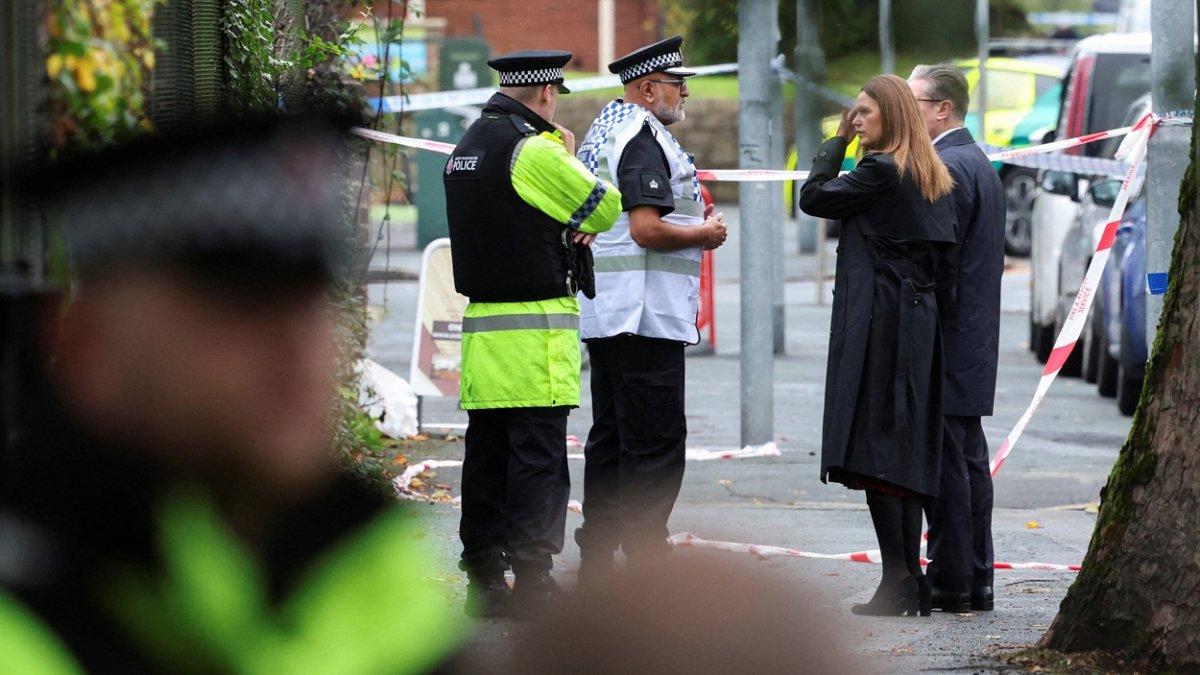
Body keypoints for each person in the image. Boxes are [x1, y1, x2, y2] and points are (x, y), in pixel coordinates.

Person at [1, 117, 464, 673]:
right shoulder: (26, 622)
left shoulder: (368, 568)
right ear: (83, 343)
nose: (294, 348)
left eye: (308, 303)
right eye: (242, 308)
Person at [442, 50, 622, 617]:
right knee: (538, 463)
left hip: (483, 333)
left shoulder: (468, 145)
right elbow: (604, 208)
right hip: (537, 334)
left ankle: (485, 581)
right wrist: (568, 155)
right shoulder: (535, 150)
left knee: (487, 458)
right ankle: (535, 583)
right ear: (546, 94)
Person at [799, 74, 957, 617]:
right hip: (916, 321)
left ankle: (897, 582)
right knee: (902, 450)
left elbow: (814, 198)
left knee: (878, 449)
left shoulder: (880, 170)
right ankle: (909, 578)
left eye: (864, 112)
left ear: (891, 116)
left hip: (883, 324)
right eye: (853, 114)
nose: (855, 119)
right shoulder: (928, 172)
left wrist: (835, 145)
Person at [573, 36, 727, 581]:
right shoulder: (641, 136)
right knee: (655, 442)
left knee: (612, 438)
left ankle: (597, 556)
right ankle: (645, 557)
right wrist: (703, 234)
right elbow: (645, 229)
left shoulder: (607, 127)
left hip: (612, 314)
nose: (684, 91)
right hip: (644, 315)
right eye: (675, 83)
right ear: (646, 88)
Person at [909, 64, 1005, 613]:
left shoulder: (948, 166)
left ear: (943, 108)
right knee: (967, 460)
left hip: (947, 337)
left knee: (948, 464)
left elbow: (938, 261)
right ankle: (975, 579)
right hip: (971, 336)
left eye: (915, 101)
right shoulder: (976, 162)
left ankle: (952, 581)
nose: (908, 112)